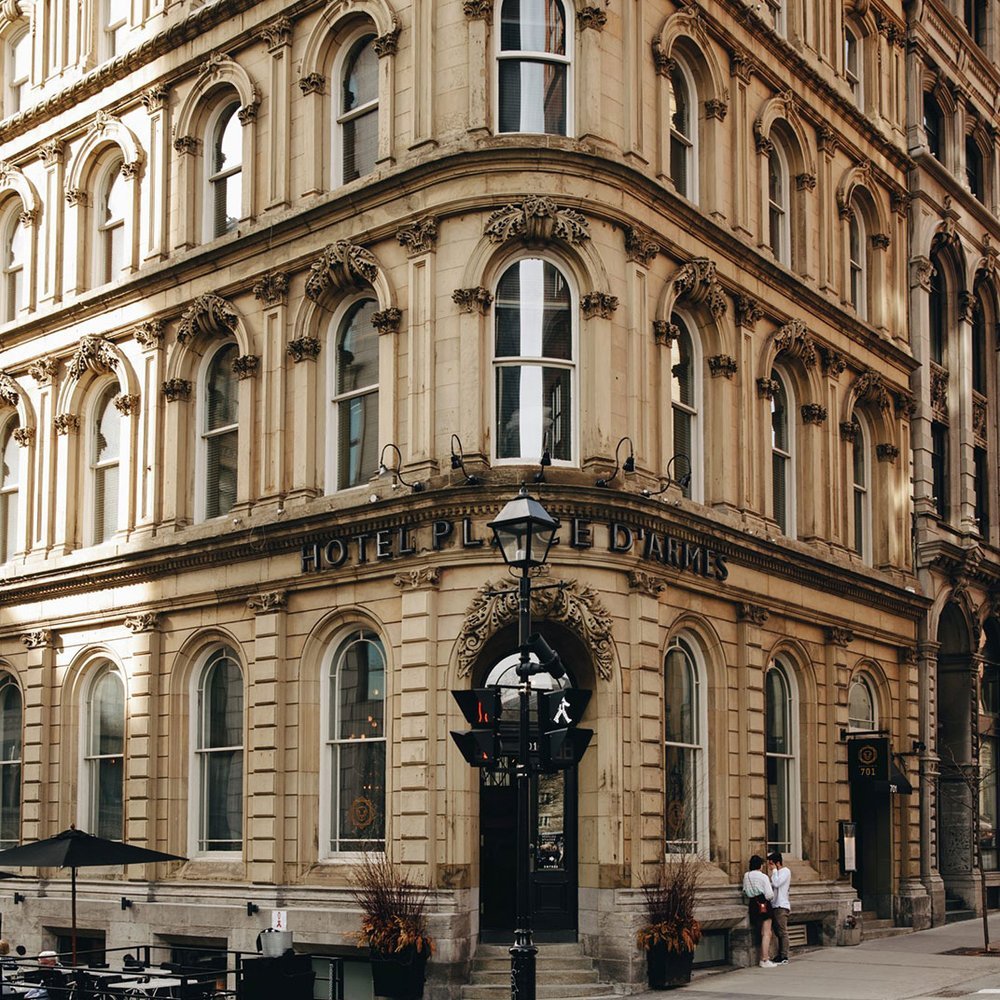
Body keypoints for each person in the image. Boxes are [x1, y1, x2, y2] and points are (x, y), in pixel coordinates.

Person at [742, 854, 776, 968]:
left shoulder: (746, 876)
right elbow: (769, 894)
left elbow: (745, 890)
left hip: (752, 903)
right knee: (767, 933)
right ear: (760, 865)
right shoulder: (763, 877)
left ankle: (763, 958)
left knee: (761, 931)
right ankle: (764, 959)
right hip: (763, 903)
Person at [768, 851, 792, 965]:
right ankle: (779, 954)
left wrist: (774, 871)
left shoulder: (785, 871)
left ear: (777, 863)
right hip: (774, 905)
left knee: (782, 932)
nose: (770, 866)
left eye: (771, 864)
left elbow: (777, 884)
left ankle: (784, 955)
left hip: (781, 905)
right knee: (777, 932)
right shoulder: (775, 873)